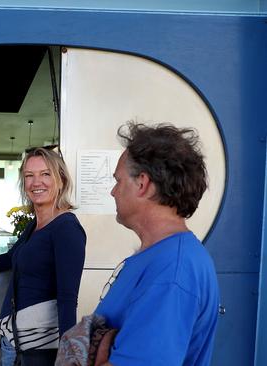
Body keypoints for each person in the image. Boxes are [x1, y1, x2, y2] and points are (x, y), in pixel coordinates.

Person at [93, 122, 219, 365]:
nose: (113, 192)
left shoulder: (173, 270)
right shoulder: (160, 256)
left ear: (142, 184)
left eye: (118, 181)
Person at [0, 147, 86, 365]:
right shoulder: (35, 225)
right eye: (29, 176)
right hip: (15, 343)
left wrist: (67, 357)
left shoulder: (66, 228)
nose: (37, 182)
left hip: (38, 349)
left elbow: (67, 299)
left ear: (61, 180)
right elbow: (12, 257)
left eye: (46, 174)